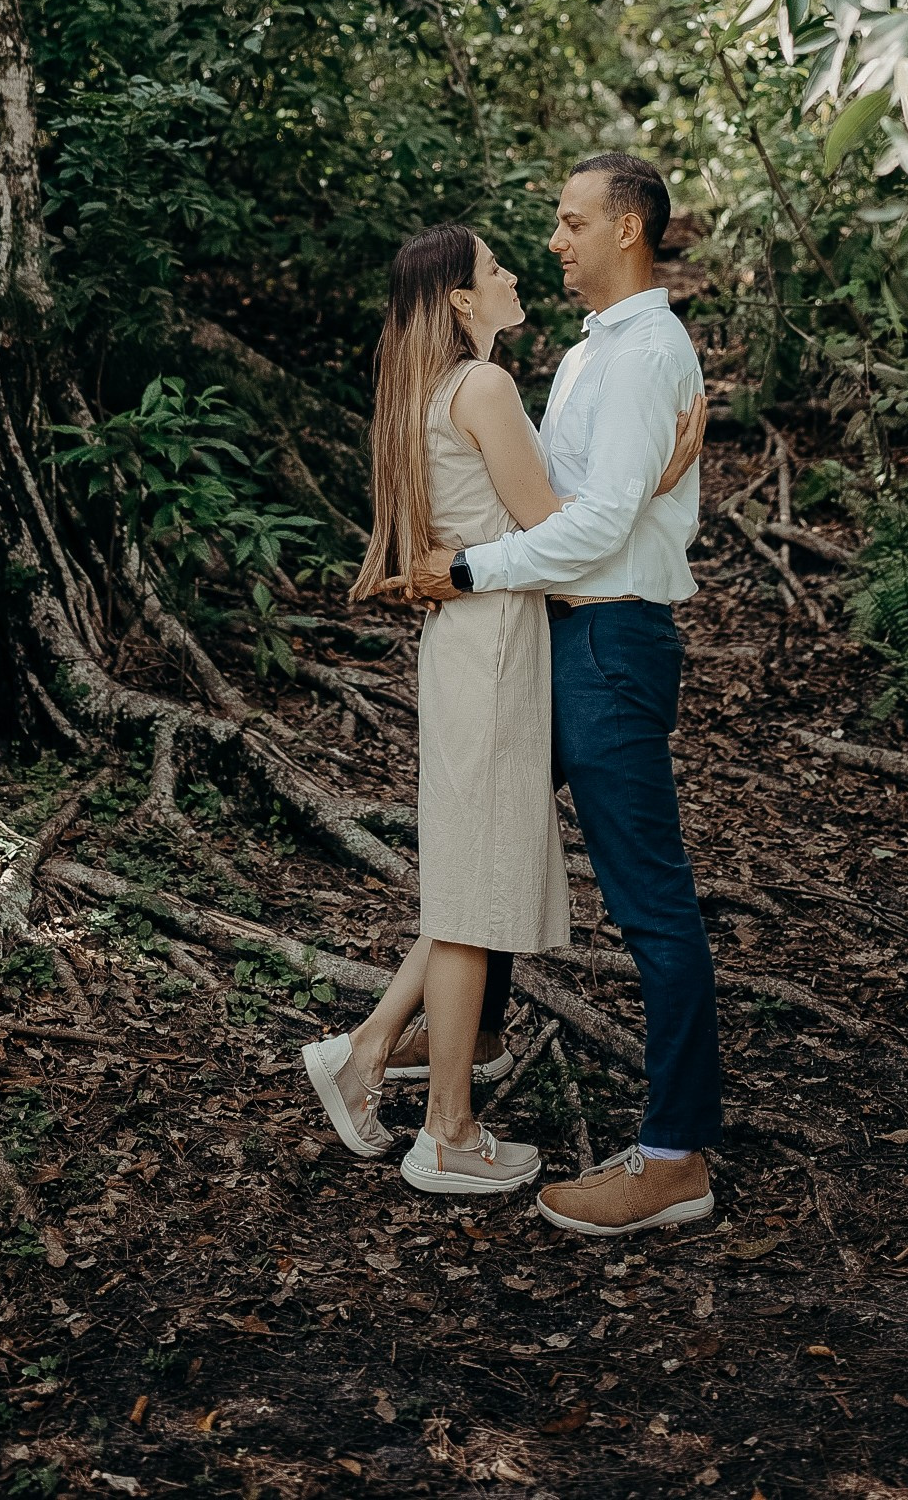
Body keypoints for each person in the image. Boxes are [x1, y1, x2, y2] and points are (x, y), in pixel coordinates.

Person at [301, 221, 703, 1200]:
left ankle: (365, 1053)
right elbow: (561, 527)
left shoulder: (430, 391)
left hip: (479, 646)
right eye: (493, 267)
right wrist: (660, 470)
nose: (517, 268)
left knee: (475, 876)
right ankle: (446, 1134)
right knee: (476, 886)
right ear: (459, 300)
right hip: (494, 650)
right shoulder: (480, 386)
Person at [404, 152, 719, 1239]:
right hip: (564, 636)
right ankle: (418, 1045)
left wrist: (470, 570)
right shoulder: (596, 354)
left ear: (628, 231)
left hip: (609, 644)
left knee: (649, 904)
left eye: (572, 222)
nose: (555, 241)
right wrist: (646, 494)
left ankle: (673, 1156)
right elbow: (594, 502)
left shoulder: (640, 356)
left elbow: (590, 528)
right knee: (483, 838)